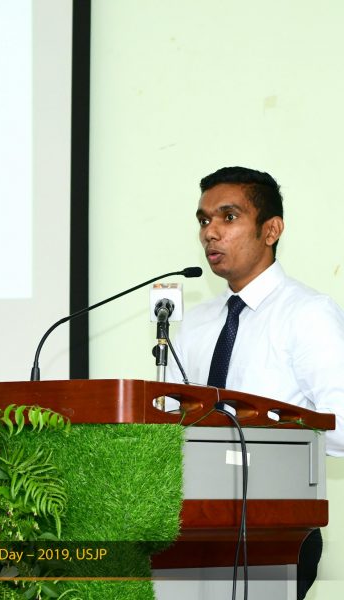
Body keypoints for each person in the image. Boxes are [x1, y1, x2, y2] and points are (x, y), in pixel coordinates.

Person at [167, 166, 344, 600]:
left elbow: (341, 425)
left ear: (271, 230)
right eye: (204, 220)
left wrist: (264, 432)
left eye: (228, 217)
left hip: (274, 531)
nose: (210, 233)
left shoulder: (308, 314)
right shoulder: (195, 324)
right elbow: (169, 424)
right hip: (193, 528)